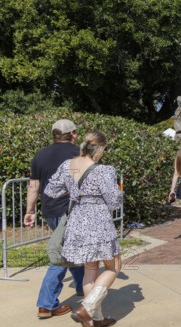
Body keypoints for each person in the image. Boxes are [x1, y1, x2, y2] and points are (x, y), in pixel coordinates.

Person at [44, 131, 123, 327]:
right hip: (98, 221)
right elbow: (113, 201)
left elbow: (51, 190)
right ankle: (87, 308)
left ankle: (95, 319)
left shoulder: (67, 166)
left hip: (77, 220)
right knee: (114, 266)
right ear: (100, 148)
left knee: (91, 268)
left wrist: (73, 192)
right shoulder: (104, 170)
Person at [24, 119, 84, 319]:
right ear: (73, 133)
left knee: (71, 249)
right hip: (70, 210)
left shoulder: (40, 154)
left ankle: (82, 286)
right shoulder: (77, 154)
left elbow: (34, 186)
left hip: (49, 210)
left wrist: (30, 211)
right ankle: (46, 305)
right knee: (60, 256)